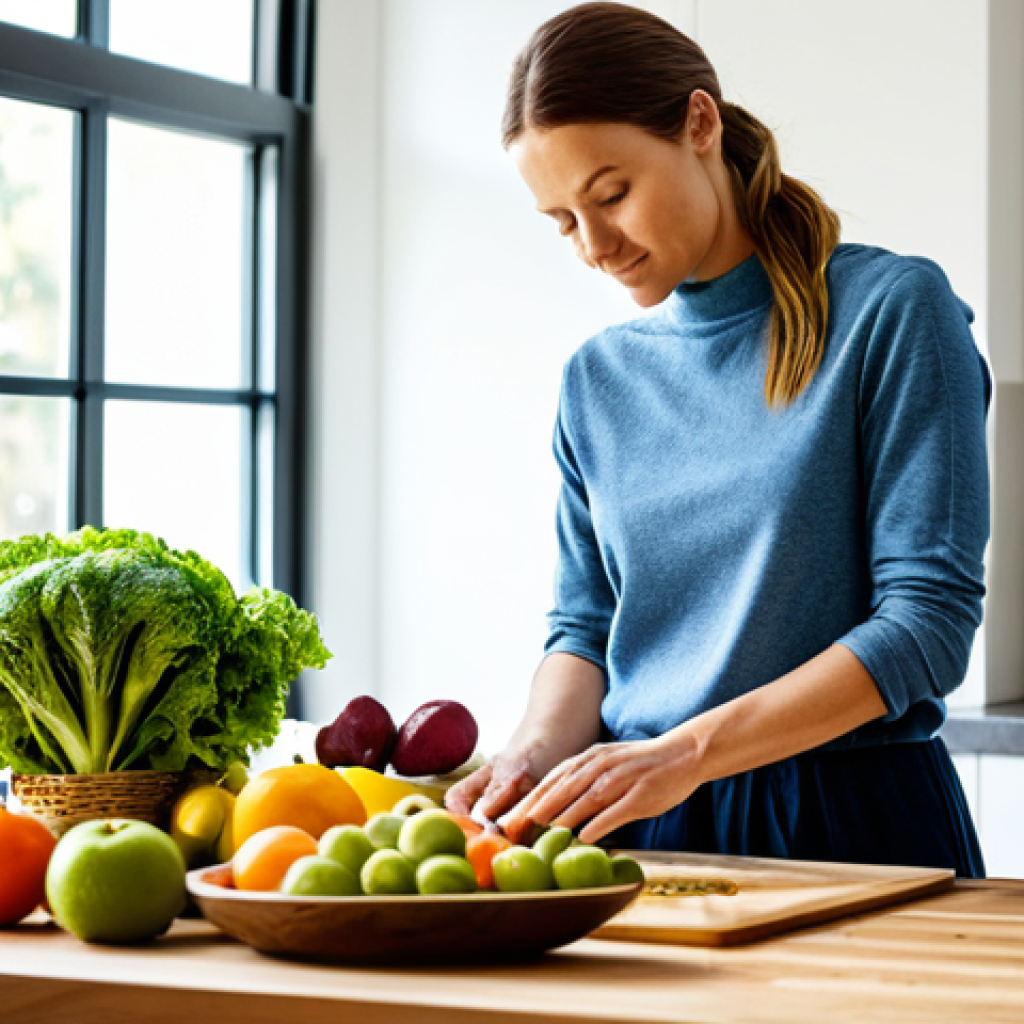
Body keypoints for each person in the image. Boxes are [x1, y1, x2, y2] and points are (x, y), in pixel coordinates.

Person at [444, 2, 991, 876]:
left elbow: (928, 624)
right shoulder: (598, 379)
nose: (593, 246)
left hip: (847, 821)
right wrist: (531, 756)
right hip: (634, 827)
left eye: (610, 194)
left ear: (700, 123)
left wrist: (688, 753)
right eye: (561, 221)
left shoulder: (892, 314)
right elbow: (584, 630)